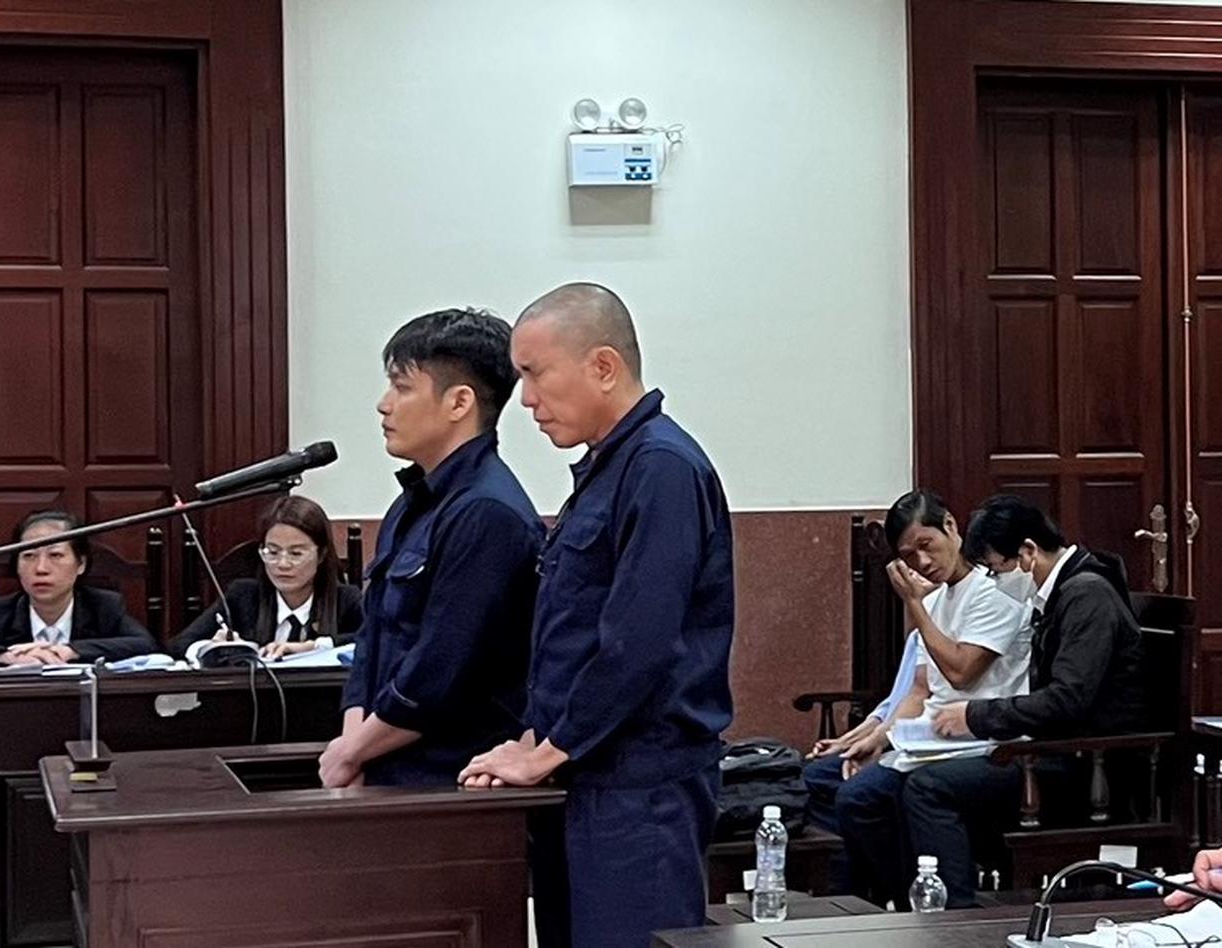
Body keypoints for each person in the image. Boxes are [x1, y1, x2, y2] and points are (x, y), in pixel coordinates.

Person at [459, 282, 735, 945]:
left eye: (535, 374)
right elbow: (571, 631)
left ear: (603, 366)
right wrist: (538, 741)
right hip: (584, 772)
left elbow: (638, 642)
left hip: (638, 788)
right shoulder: (608, 469)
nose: (526, 399)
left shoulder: (661, 468)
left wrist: (549, 750)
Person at [319, 307, 543, 789]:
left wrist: (353, 752)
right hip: (383, 763)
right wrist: (351, 748)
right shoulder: (414, 503)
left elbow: (442, 668)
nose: (384, 405)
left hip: (449, 778)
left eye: (402, 388)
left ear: (459, 402)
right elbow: (373, 636)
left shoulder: (488, 513)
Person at [914, 495, 1146, 907]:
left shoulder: (1087, 595)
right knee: (917, 777)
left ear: (1027, 552)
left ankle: (954, 915)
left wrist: (976, 716)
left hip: (1088, 764)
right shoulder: (1065, 592)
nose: (993, 581)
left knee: (928, 787)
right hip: (1057, 749)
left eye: (995, 569)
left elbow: (1067, 699)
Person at [831, 490, 1030, 907]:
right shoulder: (936, 599)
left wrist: (914, 605)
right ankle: (907, 899)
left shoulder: (994, 595)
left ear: (951, 527)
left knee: (921, 789)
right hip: (935, 739)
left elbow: (961, 671)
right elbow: (921, 689)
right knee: (855, 796)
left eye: (927, 545)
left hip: (988, 741)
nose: (922, 562)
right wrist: (880, 737)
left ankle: (952, 908)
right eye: (908, 555)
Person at [0, 510, 157, 667]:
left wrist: (72, 651)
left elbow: (146, 645)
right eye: (29, 556)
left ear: (81, 564)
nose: (41, 569)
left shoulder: (103, 606)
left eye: (55, 555)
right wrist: (6, 657)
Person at [167, 495, 362, 661]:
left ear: (321, 555)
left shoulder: (346, 600)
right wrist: (212, 649)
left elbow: (371, 640)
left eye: (296, 554)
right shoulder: (242, 596)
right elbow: (179, 645)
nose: (282, 564)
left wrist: (314, 646)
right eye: (272, 552)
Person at [802, 630, 923, 895]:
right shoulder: (917, 636)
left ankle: (890, 889)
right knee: (813, 776)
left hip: (913, 744)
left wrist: (876, 742)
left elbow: (922, 700)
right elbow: (890, 706)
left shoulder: (944, 634)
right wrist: (846, 742)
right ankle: (845, 887)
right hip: (888, 737)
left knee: (856, 793)